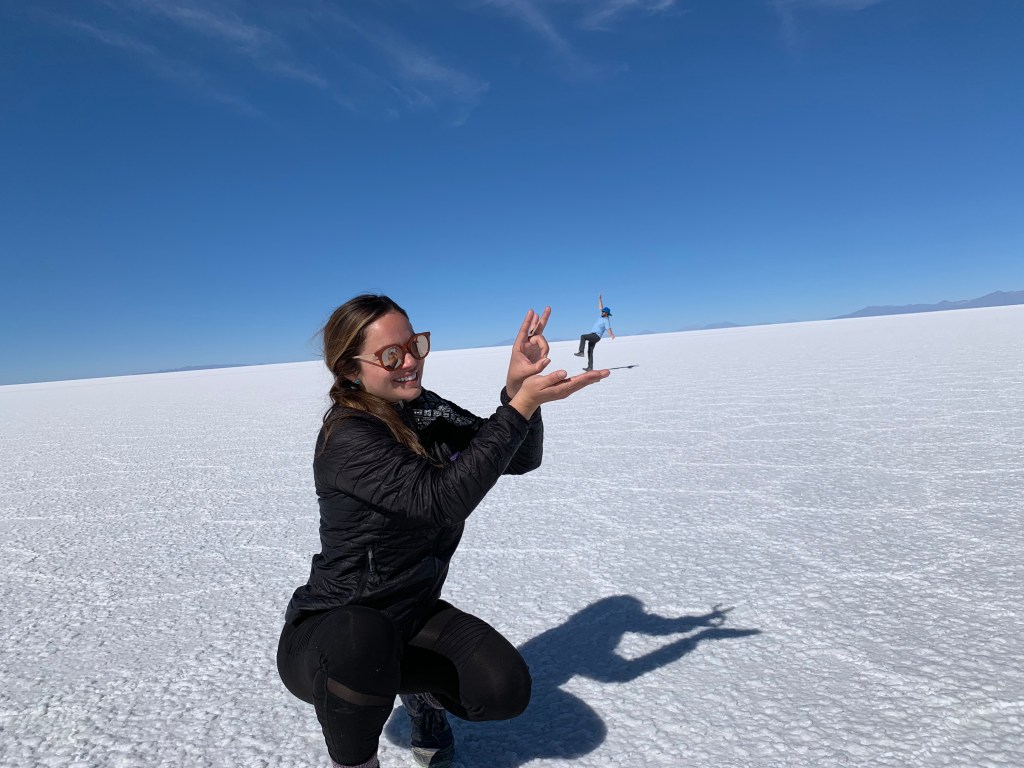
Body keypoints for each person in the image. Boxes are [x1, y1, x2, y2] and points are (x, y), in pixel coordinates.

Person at [277, 294, 608, 768]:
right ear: (351, 369)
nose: (411, 362)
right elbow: (440, 500)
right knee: (362, 635)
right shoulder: (348, 435)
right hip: (331, 635)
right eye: (391, 355)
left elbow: (516, 457)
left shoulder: (424, 410)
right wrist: (520, 406)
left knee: (503, 688)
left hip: (410, 615)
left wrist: (516, 391)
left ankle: (422, 698)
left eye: (414, 345)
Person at [574, 295, 616, 371]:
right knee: (590, 351)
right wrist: (600, 299)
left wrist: (611, 334)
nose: (602, 312)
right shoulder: (601, 317)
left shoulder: (606, 320)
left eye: (603, 312)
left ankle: (581, 352)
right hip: (593, 335)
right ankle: (590, 367)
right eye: (602, 311)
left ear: (606, 313)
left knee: (583, 336)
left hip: (596, 336)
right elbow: (600, 307)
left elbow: (608, 328)